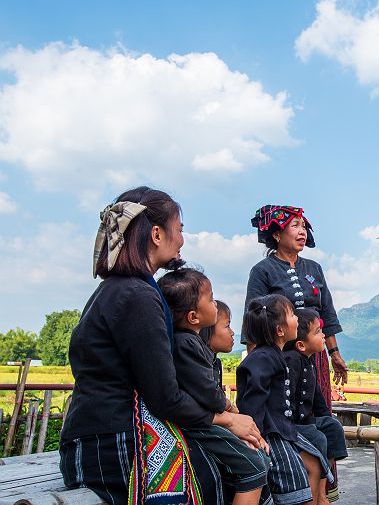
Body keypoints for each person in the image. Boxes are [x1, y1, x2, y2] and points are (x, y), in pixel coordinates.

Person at [60, 186, 264, 505]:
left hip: (98, 436)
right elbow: (165, 397)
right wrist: (228, 419)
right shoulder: (138, 297)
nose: (182, 239)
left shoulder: (122, 290)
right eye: (179, 230)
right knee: (227, 475)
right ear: (157, 234)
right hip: (112, 444)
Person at [243, 204, 347, 499]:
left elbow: (326, 310)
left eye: (304, 226)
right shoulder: (262, 270)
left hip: (314, 356)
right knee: (286, 417)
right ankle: (291, 483)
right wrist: (256, 364)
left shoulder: (314, 269)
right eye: (295, 226)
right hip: (279, 358)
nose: (302, 231)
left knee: (317, 416)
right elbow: (254, 317)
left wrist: (334, 352)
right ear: (276, 234)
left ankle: (324, 488)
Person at [158, 267, 270, 505]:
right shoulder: (187, 344)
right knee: (255, 467)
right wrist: (229, 407)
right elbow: (208, 392)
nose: (215, 304)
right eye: (210, 300)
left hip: (203, 422)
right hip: (199, 426)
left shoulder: (189, 344)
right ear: (194, 317)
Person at [237, 294, 334, 505]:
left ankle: (320, 499)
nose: (297, 318)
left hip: (284, 429)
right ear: (280, 331)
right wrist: (255, 435)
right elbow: (252, 400)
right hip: (271, 432)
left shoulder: (276, 355)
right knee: (296, 485)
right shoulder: (263, 358)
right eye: (291, 314)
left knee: (315, 464)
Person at [283, 308, 348, 503]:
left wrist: (327, 419)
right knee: (318, 437)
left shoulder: (309, 362)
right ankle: (313, 498)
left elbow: (318, 400)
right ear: (301, 345)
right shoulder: (291, 361)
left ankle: (322, 492)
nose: (323, 335)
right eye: (318, 332)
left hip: (304, 421)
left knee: (332, 427)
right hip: (288, 423)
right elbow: (284, 401)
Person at [200, 299, 235, 387]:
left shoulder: (216, 363)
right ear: (208, 330)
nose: (232, 333)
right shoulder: (199, 364)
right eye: (227, 326)